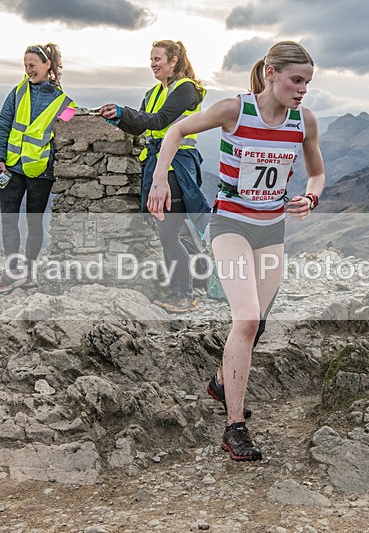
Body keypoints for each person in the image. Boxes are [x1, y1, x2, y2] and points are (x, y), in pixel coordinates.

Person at [148, 41, 325, 461]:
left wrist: (310, 198)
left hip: (272, 231)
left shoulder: (304, 122)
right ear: (271, 74)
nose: (302, 90)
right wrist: (159, 179)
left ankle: (219, 381)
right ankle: (234, 427)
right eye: (295, 80)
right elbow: (176, 130)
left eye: (307, 83)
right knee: (245, 320)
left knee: (256, 324)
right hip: (230, 225)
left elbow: (316, 173)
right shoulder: (235, 110)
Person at [99, 40, 209, 313]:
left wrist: (124, 112)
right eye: (151, 59)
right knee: (171, 233)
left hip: (177, 168)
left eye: (158, 58)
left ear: (174, 61)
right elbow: (141, 126)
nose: (153, 64)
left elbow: (159, 121)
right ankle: (189, 287)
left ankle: (185, 294)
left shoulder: (186, 90)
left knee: (170, 234)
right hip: (158, 165)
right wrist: (119, 118)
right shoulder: (152, 92)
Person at [0, 43, 76, 295]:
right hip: (12, 168)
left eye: (32, 65)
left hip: (42, 172)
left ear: (47, 64)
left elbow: (71, 134)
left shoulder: (64, 102)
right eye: (25, 65)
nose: (28, 70)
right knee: (9, 221)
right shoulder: (16, 93)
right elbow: (3, 125)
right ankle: (11, 272)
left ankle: (27, 274)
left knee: (34, 223)